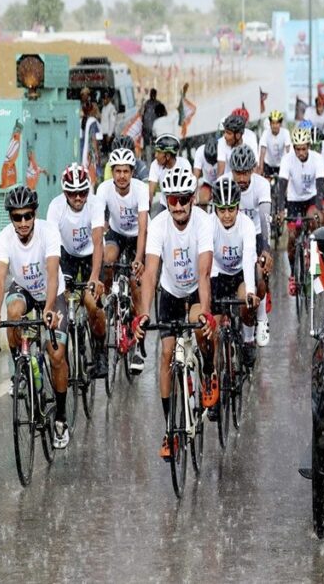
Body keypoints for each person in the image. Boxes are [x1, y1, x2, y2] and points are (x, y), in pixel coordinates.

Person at [131, 166, 218, 460]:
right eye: (172, 200)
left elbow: (204, 273)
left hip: (195, 291)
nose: (178, 206)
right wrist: (143, 314)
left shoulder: (204, 223)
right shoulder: (158, 225)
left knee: (198, 324)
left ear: (192, 199)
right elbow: (150, 273)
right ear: (166, 201)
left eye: (183, 199)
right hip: (169, 293)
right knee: (167, 355)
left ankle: (208, 371)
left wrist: (206, 313)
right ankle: (169, 429)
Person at [0, 186, 71, 449]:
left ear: (35, 214)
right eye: (17, 217)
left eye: (28, 215)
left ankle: (60, 418)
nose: (23, 222)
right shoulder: (4, 238)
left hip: (52, 292)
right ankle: (21, 368)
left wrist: (48, 308)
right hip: (24, 289)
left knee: (56, 356)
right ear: (11, 218)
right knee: (13, 313)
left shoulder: (48, 231)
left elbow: (52, 273)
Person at [47, 164, 108, 378]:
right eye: (73, 193)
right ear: (65, 192)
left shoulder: (95, 204)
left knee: (92, 303)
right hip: (67, 255)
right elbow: (52, 248)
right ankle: (71, 338)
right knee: (64, 299)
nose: (78, 197)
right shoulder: (55, 207)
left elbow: (98, 242)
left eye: (82, 192)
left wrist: (94, 278)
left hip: (91, 254)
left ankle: (100, 353)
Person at [98, 148, 149, 371]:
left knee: (137, 284)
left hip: (137, 235)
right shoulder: (103, 189)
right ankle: (111, 297)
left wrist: (138, 259)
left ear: (132, 172)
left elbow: (143, 226)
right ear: (112, 172)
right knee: (108, 259)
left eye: (125, 171)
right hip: (117, 233)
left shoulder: (140, 189)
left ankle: (138, 344)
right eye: (117, 171)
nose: (121, 176)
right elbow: (99, 224)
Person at [224, 146, 274, 346]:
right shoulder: (224, 182)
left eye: (246, 173)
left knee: (260, 274)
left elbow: (264, 218)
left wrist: (266, 249)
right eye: (238, 173)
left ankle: (261, 318)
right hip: (233, 234)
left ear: (253, 170)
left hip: (256, 233)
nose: (242, 178)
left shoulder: (262, 185)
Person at [210, 177, 260, 369]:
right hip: (218, 274)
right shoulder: (208, 224)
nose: (227, 215)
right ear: (215, 209)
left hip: (240, 273)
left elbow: (248, 259)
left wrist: (250, 292)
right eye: (222, 210)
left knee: (246, 305)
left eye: (231, 209)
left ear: (238, 207)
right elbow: (205, 260)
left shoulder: (246, 225)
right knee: (213, 330)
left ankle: (248, 340)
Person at [276, 127, 324, 296]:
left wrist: (318, 207)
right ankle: (293, 274)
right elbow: (282, 185)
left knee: (314, 219)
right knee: (292, 236)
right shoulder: (287, 159)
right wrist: (280, 210)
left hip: (311, 200)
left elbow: (320, 185)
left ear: (309, 146)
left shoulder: (317, 158)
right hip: (294, 204)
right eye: (297, 149)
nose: (301, 153)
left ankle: (315, 257)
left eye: (304, 148)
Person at [147, 134, 191, 213]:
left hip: (181, 204)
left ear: (167, 156)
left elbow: (190, 191)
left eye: (158, 152)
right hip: (164, 205)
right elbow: (150, 191)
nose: (155, 155)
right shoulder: (155, 164)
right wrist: (147, 211)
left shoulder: (184, 164)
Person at [216, 111, 259, 177]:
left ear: (238, 135)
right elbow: (220, 171)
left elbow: (255, 167)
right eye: (224, 132)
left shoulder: (251, 139)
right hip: (229, 178)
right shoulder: (221, 142)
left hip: (246, 177)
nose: (225, 136)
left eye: (228, 133)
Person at [258, 110, 291, 180]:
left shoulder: (285, 133)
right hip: (268, 164)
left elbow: (288, 151)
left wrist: (290, 167)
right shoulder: (266, 133)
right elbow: (262, 151)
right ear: (270, 124)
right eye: (273, 123)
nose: (275, 126)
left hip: (281, 165)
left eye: (277, 123)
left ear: (280, 124)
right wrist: (261, 168)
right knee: (267, 182)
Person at [192, 138, 220, 209]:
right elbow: (195, 177)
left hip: (222, 180)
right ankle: (203, 214)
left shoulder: (223, 150)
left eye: (214, 162)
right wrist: (193, 196)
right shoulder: (199, 152)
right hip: (208, 182)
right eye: (210, 162)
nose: (212, 164)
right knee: (202, 199)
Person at [100, 90, 118, 157]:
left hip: (109, 134)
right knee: (104, 153)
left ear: (108, 99)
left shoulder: (112, 108)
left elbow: (112, 122)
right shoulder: (104, 108)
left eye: (105, 99)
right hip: (104, 134)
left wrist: (109, 135)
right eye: (103, 99)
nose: (103, 101)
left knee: (110, 153)